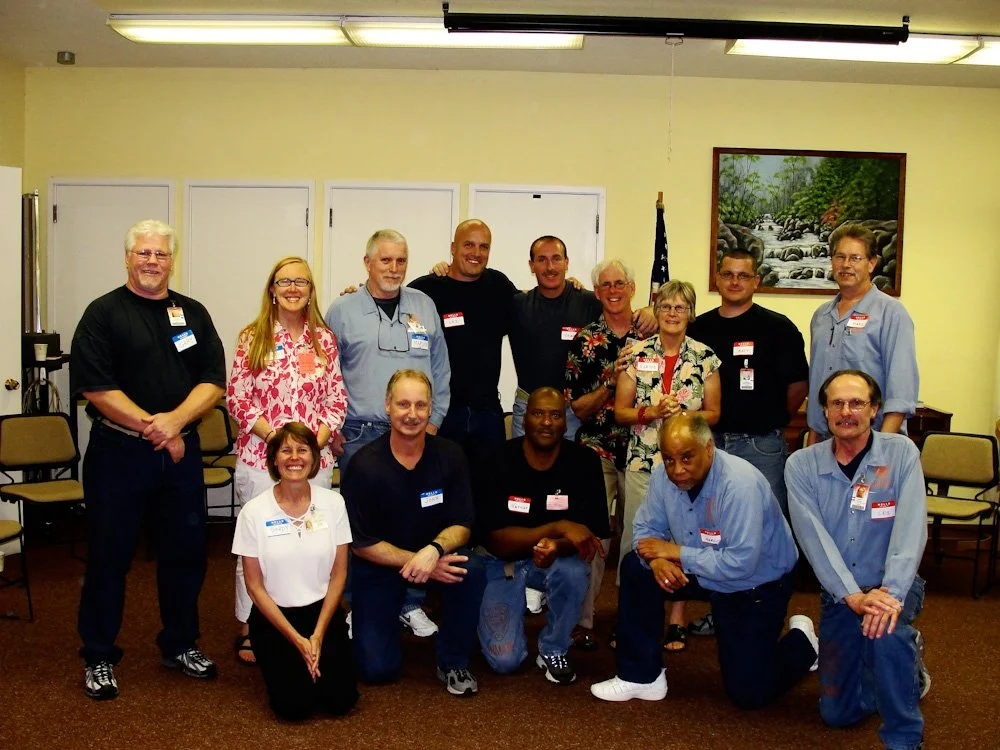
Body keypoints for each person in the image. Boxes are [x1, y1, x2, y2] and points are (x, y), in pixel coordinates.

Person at [71, 219, 226, 700]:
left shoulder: (192, 313)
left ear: (171, 260)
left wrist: (175, 423)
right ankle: (98, 655)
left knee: (185, 556)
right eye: (143, 253)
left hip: (180, 453)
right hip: (119, 453)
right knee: (108, 557)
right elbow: (96, 388)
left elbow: (214, 379)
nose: (152, 262)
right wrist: (156, 428)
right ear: (127, 257)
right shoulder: (103, 314)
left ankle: (179, 644)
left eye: (160, 254)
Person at [591, 413, 817, 708]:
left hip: (755, 582)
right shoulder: (663, 475)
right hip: (702, 566)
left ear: (709, 449)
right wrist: (657, 561)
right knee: (637, 567)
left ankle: (804, 642)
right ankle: (642, 677)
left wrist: (674, 553)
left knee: (749, 692)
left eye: (687, 458)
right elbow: (645, 530)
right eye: (669, 459)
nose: (677, 470)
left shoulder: (739, 484)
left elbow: (740, 563)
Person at [786, 369, 929, 750]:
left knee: (883, 630)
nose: (846, 411)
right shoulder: (800, 465)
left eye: (857, 403)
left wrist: (889, 594)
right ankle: (897, 672)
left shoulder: (901, 453)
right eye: (837, 403)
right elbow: (814, 541)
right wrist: (852, 596)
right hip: (841, 594)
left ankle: (903, 734)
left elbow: (911, 530)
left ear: (874, 410)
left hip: (894, 585)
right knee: (838, 713)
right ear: (825, 411)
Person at [325, 228, 451, 637]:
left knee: (417, 517)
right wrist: (332, 426)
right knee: (360, 526)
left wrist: (434, 421)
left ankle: (411, 603)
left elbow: (441, 369)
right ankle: (354, 604)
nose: (394, 268)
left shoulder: (424, 305)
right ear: (367, 263)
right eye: (385, 260)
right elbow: (328, 373)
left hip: (416, 430)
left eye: (401, 260)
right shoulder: (343, 309)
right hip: (360, 433)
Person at [227, 256, 347, 664]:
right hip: (262, 461)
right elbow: (238, 400)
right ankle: (249, 627)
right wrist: (280, 443)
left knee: (315, 547)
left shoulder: (324, 340)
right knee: (258, 552)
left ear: (312, 291)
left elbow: (336, 401)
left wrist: (311, 448)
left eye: (302, 282)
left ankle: (313, 622)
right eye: (285, 282)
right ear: (272, 289)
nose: (293, 288)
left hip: (315, 463)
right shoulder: (252, 336)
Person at [341, 369, 486, 696]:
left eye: (421, 405)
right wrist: (419, 561)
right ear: (388, 406)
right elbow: (362, 544)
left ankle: (453, 660)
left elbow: (463, 524)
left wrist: (433, 552)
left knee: (472, 569)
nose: (412, 414)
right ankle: (375, 625)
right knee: (376, 671)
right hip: (380, 566)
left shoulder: (450, 455)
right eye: (403, 404)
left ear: (431, 408)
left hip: (435, 555)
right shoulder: (364, 465)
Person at [613, 280, 721, 651]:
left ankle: (675, 619)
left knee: (681, 541)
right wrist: (651, 411)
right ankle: (632, 617)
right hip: (644, 461)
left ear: (690, 313)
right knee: (636, 540)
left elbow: (714, 412)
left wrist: (687, 413)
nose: (673, 313)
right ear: (655, 312)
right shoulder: (636, 353)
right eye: (666, 307)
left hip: (690, 468)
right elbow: (620, 412)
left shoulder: (706, 356)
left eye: (680, 307)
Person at [475, 387, 608, 684]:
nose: (546, 422)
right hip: (502, 563)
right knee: (504, 660)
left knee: (574, 571)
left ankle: (554, 646)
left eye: (555, 415)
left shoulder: (584, 462)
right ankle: (488, 620)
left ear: (565, 422)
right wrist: (556, 529)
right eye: (537, 413)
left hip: (557, 562)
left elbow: (588, 536)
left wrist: (555, 546)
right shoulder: (496, 460)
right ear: (524, 420)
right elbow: (494, 539)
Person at [232, 423, 358, 720]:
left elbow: (339, 575)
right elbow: (254, 586)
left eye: (302, 450)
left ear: (314, 458)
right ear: (274, 459)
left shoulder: (334, 503)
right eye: (285, 450)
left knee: (342, 702)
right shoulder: (254, 512)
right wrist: (297, 639)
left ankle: (315, 664)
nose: (294, 458)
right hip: (275, 619)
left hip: (322, 613)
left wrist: (317, 634)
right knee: (293, 708)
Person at [688, 248, 808, 516]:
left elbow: (799, 386)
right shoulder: (698, 329)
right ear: (717, 279)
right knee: (710, 519)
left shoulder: (778, 328)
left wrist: (771, 418)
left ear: (756, 281)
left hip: (761, 446)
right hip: (708, 444)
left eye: (743, 276)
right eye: (728, 274)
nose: (734, 281)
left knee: (768, 522)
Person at [510, 236, 656, 440]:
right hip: (528, 407)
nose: (550, 266)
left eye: (556, 259)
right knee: (522, 470)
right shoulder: (517, 304)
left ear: (567, 263)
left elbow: (619, 306)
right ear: (531, 265)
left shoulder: (587, 301)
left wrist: (651, 311)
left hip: (571, 411)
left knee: (569, 471)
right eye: (542, 259)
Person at [563, 258, 638, 649]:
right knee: (592, 536)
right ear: (597, 293)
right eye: (605, 284)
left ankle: (630, 619)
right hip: (597, 448)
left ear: (632, 288)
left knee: (636, 539)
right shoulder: (586, 339)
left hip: (642, 451)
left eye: (619, 283)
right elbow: (578, 408)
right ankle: (583, 619)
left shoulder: (651, 333)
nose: (613, 290)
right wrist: (611, 382)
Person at [409, 220, 517, 462]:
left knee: (489, 488)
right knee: (440, 485)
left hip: (487, 411)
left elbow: (535, 308)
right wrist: (358, 295)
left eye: (484, 247)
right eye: (468, 245)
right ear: (453, 247)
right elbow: (389, 305)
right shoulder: (427, 289)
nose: (476, 253)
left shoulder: (499, 286)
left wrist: (569, 290)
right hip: (441, 412)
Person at [807, 223, 918, 442]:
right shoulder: (821, 316)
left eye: (855, 258)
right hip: (826, 441)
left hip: (874, 438)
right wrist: (812, 443)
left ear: (872, 264)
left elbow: (901, 389)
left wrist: (882, 448)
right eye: (840, 257)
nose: (846, 265)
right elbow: (817, 385)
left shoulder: (891, 314)